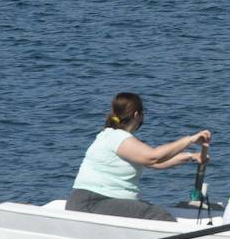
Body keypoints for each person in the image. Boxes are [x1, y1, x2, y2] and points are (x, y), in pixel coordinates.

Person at [67, 92, 211, 222]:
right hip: (92, 202)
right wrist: (189, 140)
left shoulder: (114, 136)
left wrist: (190, 157)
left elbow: (153, 164)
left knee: (146, 210)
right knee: (155, 214)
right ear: (137, 115)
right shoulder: (116, 137)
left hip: (93, 202)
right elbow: (153, 157)